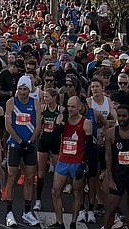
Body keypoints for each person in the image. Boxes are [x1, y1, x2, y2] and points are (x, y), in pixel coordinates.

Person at [51, 94, 94, 229]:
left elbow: (89, 146)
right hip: (63, 160)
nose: (70, 109)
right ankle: (59, 222)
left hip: (77, 161)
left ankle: (74, 222)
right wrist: (61, 123)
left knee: (77, 192)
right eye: (68, 106)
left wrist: (84, 163)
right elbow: (53, 137)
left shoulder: (85, 123)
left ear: (80, 107)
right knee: (55, 191)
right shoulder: (62, 119)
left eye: (73, 107)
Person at [4, 75, 42, 227]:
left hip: (29, 145)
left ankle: (27, 211)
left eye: (25, 89)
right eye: (20, 88)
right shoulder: (11, 102)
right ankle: (9, 212)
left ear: (29, 90)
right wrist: (20, 141)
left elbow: (38, 125)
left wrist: (30, 141)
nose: (22, 92)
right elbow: (8, 125)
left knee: (29, 178)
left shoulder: (36, 103)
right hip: (15, 144)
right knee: (12, 177)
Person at [34, 87, 60, 212]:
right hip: (43, 141)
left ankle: (57, 200)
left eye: (47, 97)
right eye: (44, 97)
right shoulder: (43, 109)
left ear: (54, 98)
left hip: (56, 143)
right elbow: (38, 125)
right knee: (41, 172)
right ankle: (38, 200)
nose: (44, 99)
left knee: (57, 173)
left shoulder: (61, 110)